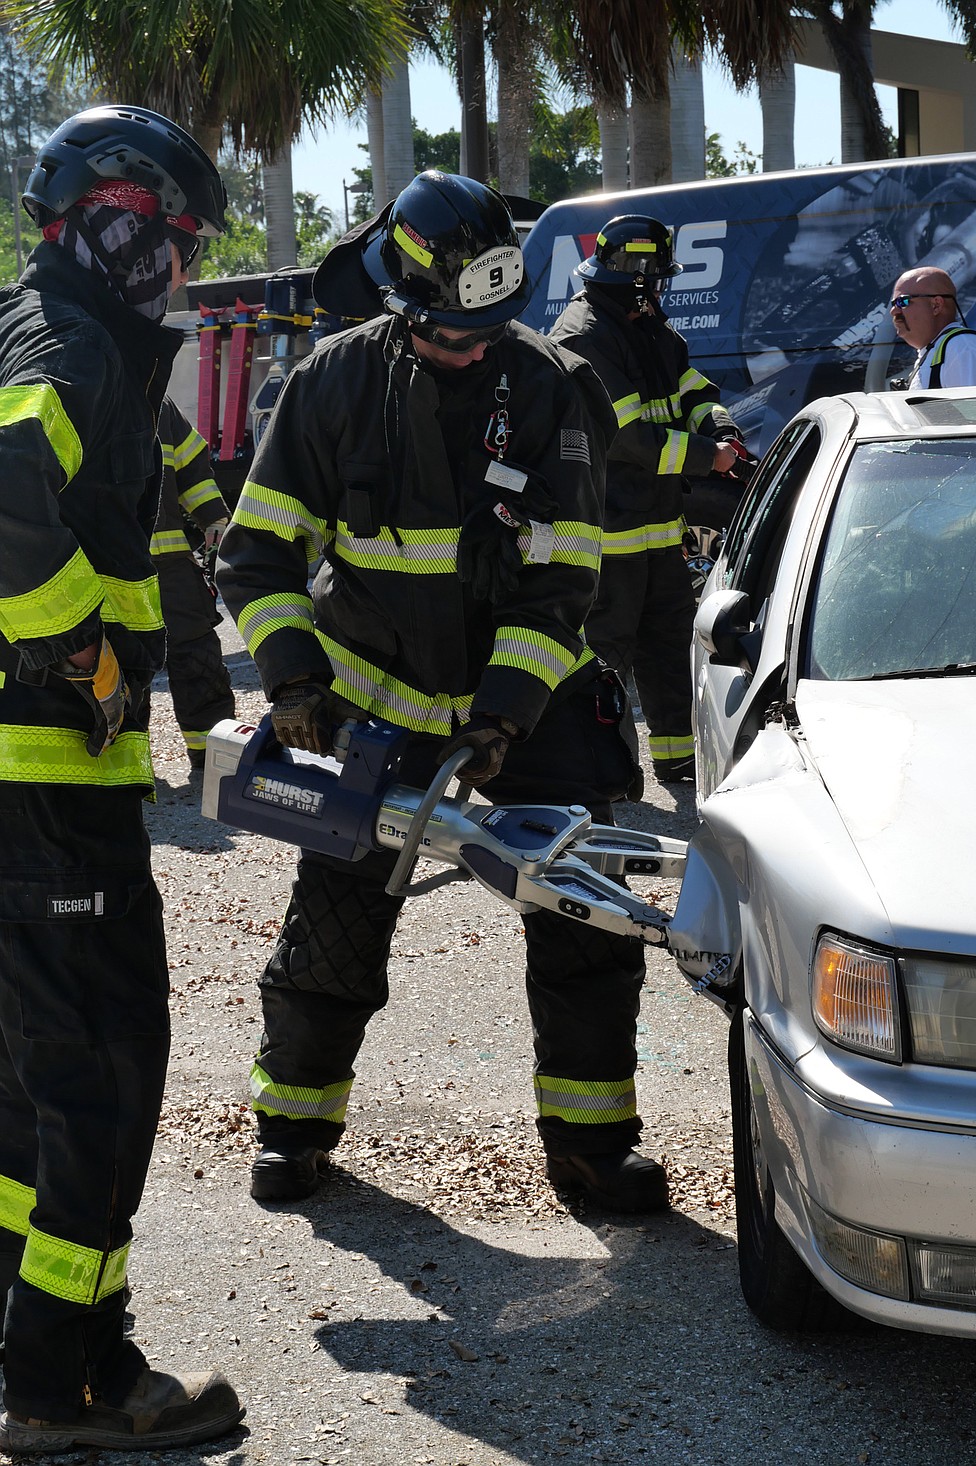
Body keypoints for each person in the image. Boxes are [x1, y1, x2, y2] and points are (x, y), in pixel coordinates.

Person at [216, 170, 669, 1216]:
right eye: (448, 333)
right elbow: (257, 556)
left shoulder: (553, 384)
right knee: (331, 928)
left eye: (484, 333)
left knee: (581, 924)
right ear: (399, 296)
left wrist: (505, 711)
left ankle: (593, 1146)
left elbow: (564, 575)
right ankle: (292, 1127)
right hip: (367, 704)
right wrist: (292, 680)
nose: (468, 348)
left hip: (527, 710)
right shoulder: (330, 384)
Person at [0, 105, 243, 1452]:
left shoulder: (32, 325)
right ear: (111, 217)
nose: (178, 272)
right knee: (101, 1070)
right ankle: (58, 1388)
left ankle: (53, 1351)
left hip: (27, 789)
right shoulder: (68, 342)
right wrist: (85, 657)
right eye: (172, 242)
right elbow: (8, 498)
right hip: (47, 785)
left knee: (26, 1088)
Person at [548, 215, 749, 785]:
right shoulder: (584, 337)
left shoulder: (648, 328)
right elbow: (627, 437)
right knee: (605, 655)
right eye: (657, 280)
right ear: (638, 282)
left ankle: (678, 760)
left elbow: (692, 391)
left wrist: (720, 425)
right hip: (606, 534)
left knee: (666, 645)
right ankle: (605, 772)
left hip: (657, 528)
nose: (661, 290)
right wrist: (706, 458)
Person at [152, 397, 235, 772]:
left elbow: (192, 470)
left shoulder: (159, 401)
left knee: (198, 657)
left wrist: (214, 518)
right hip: (103, 568)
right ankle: (119, 770)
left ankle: (215, 753)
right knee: (117, 664)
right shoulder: (75, 385)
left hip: (170, 566)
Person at [890, 267, 976, 388]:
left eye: (902, 302)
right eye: (893, 304)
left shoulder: (965, 349)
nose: (893, 311)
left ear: (936, 305)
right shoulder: (942, 350)